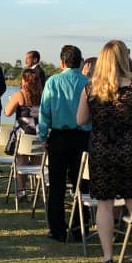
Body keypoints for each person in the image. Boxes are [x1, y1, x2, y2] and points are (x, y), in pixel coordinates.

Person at [76, 40, 132, 263]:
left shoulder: (90, 88)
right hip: (130, 150)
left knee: (105, 204)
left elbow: (80, 120)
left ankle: (107, 257)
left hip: (102, 149)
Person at [39, 44, 91, 242]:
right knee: (82, 183)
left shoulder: (53, 82)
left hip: (59, 137)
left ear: (62, 62)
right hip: (83, 137)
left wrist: (43, 136)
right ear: (80, 62)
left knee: (57, 185)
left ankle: (57, 229)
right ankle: (80, 227)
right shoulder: (88, 83)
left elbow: (45, 111)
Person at [3, 68, 42, 198]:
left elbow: (7, 112)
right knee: (38, 164)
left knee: (22, 163)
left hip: (23, 135)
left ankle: (21, 190)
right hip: (38, 134)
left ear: (24, 80)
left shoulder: (20, 95)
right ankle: (37, 191)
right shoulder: (43, 94)